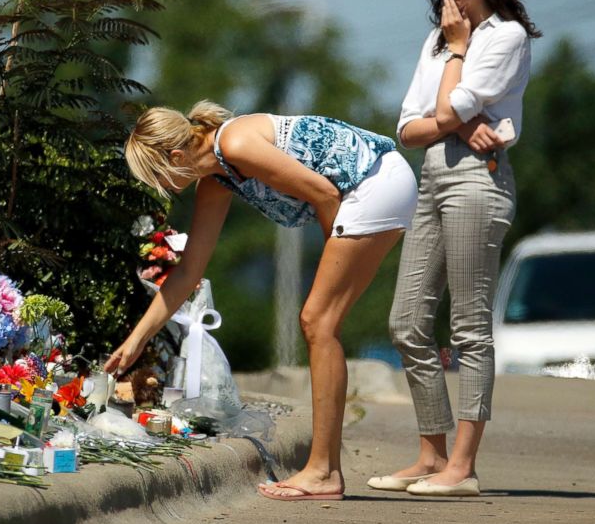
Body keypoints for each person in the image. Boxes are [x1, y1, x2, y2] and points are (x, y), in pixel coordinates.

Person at [105, 102, 418, 500]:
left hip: (373, 181)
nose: (161, 187)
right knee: (319, 322)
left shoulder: (235, 144)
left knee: (317, 322)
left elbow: (324, 193)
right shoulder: (216, 180)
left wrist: (333, 257)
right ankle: (326, 471)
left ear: (177, 156)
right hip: (367, 185)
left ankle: (323, 472)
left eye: (158, 175)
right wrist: (136, 341)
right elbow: (187, 273)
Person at [368, 0, 540, 497]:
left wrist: (460, 55)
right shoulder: (435, 41)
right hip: (434, 177)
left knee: (468, 326)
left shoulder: (505, 37)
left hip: (477, 182)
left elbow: (445, 107)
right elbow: (409, 127)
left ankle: (462, 467)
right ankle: (430, 453)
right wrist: (459, 118)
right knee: (407, 321)